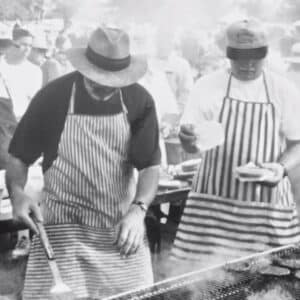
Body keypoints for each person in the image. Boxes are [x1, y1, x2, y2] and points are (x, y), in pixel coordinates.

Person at [6, 26, 160, 300]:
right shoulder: (52, 97)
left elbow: (149, 165)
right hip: (63, 230)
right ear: (84, 68)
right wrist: (17, 193)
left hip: (120, 230)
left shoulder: (139, 100)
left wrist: (138, 211)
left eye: (111, 84)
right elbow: (18, 156)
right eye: (95, 81)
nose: (102, 89)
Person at [172, 19, 300, 271]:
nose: (248, 64)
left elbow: (298, 143)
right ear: (228, 55)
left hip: (266, 206)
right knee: (200, 280)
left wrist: (280, 169)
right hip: (212, 207)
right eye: (240, 57)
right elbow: (191, 143)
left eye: (256, 57)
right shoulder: (206, 86)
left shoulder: (283, 89)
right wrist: (187, 140)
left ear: (266, 54)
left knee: (275, 278)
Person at [2, 28, 42, 119]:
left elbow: (34, 101)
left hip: (21, 121)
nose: (27, 49)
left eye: (30, 45)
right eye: (24, 44)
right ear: (12, 44)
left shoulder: (34, 71)